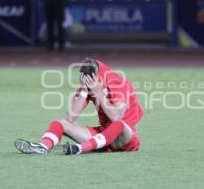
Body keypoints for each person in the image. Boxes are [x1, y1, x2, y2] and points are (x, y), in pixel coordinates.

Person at [14, 58, 144, 155]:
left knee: (118, 125)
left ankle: (81, 148)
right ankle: (43, 147)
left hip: (125, 140)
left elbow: (116, 117)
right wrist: (84, 91)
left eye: (90, 80)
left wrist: (99, 93)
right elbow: (71, 117)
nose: (88, 83)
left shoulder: (118, 82)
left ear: (99, 75)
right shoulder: (89, 83)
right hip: (103, 137)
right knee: (60, 123)